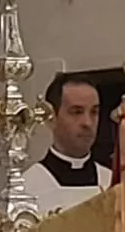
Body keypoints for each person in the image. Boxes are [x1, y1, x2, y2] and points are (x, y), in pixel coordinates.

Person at [23, 77, 113, 216]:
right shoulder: (27, 188)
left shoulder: (111, 182)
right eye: (76, 112)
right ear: (51, 117)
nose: (87, 123)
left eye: (94, 112)